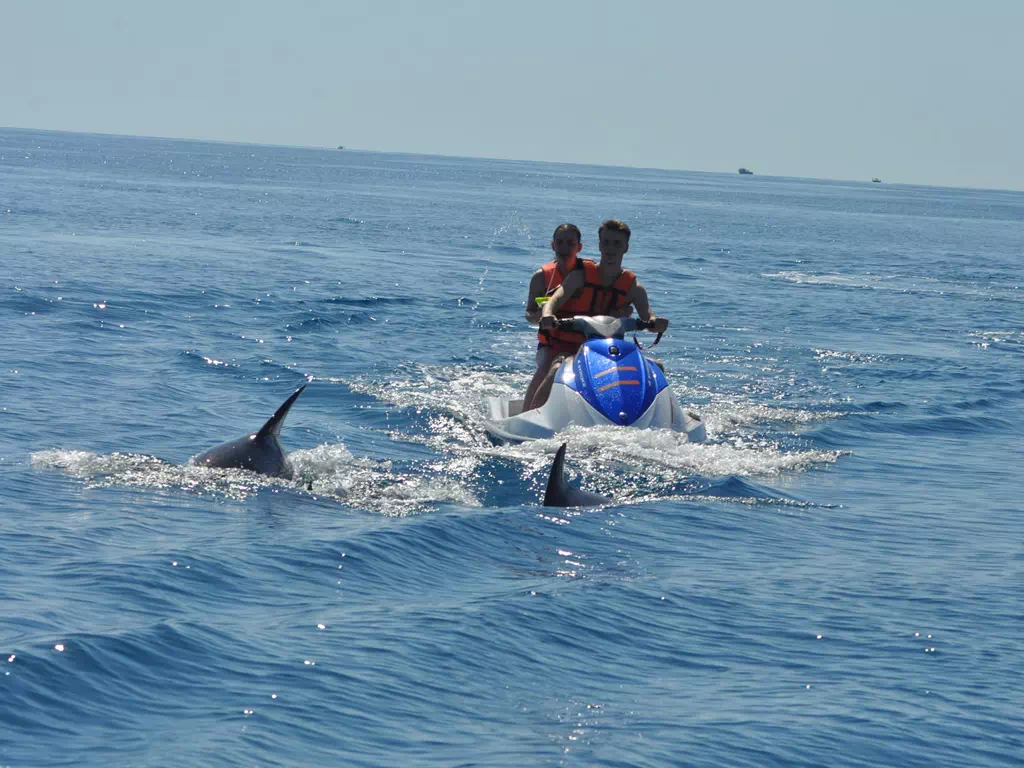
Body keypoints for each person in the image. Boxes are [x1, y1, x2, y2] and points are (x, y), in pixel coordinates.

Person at [533, 219, 668, 408]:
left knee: (656, 368)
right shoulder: (580, 275)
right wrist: (548, 314)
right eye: (606, 242)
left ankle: (670, 417)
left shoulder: (633, 288)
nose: (610, 249)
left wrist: (656, 323)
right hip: (569, 345)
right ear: (599, 244)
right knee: (557, 367)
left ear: (626, 247)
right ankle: (531, 415)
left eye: (616, 244)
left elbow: (648, 317)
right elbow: (554, 301)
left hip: (610, 350)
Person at [522, 223, 592, 411]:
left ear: (579, 247)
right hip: (551, 343)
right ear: (553, 245)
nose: (564, 248)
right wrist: (541, 315)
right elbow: (529, 313)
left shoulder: (590, 275)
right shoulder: (541, 277)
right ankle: (526, 412)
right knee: (547, 366)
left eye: (570, 243)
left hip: (585, 343)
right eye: (560, 242)